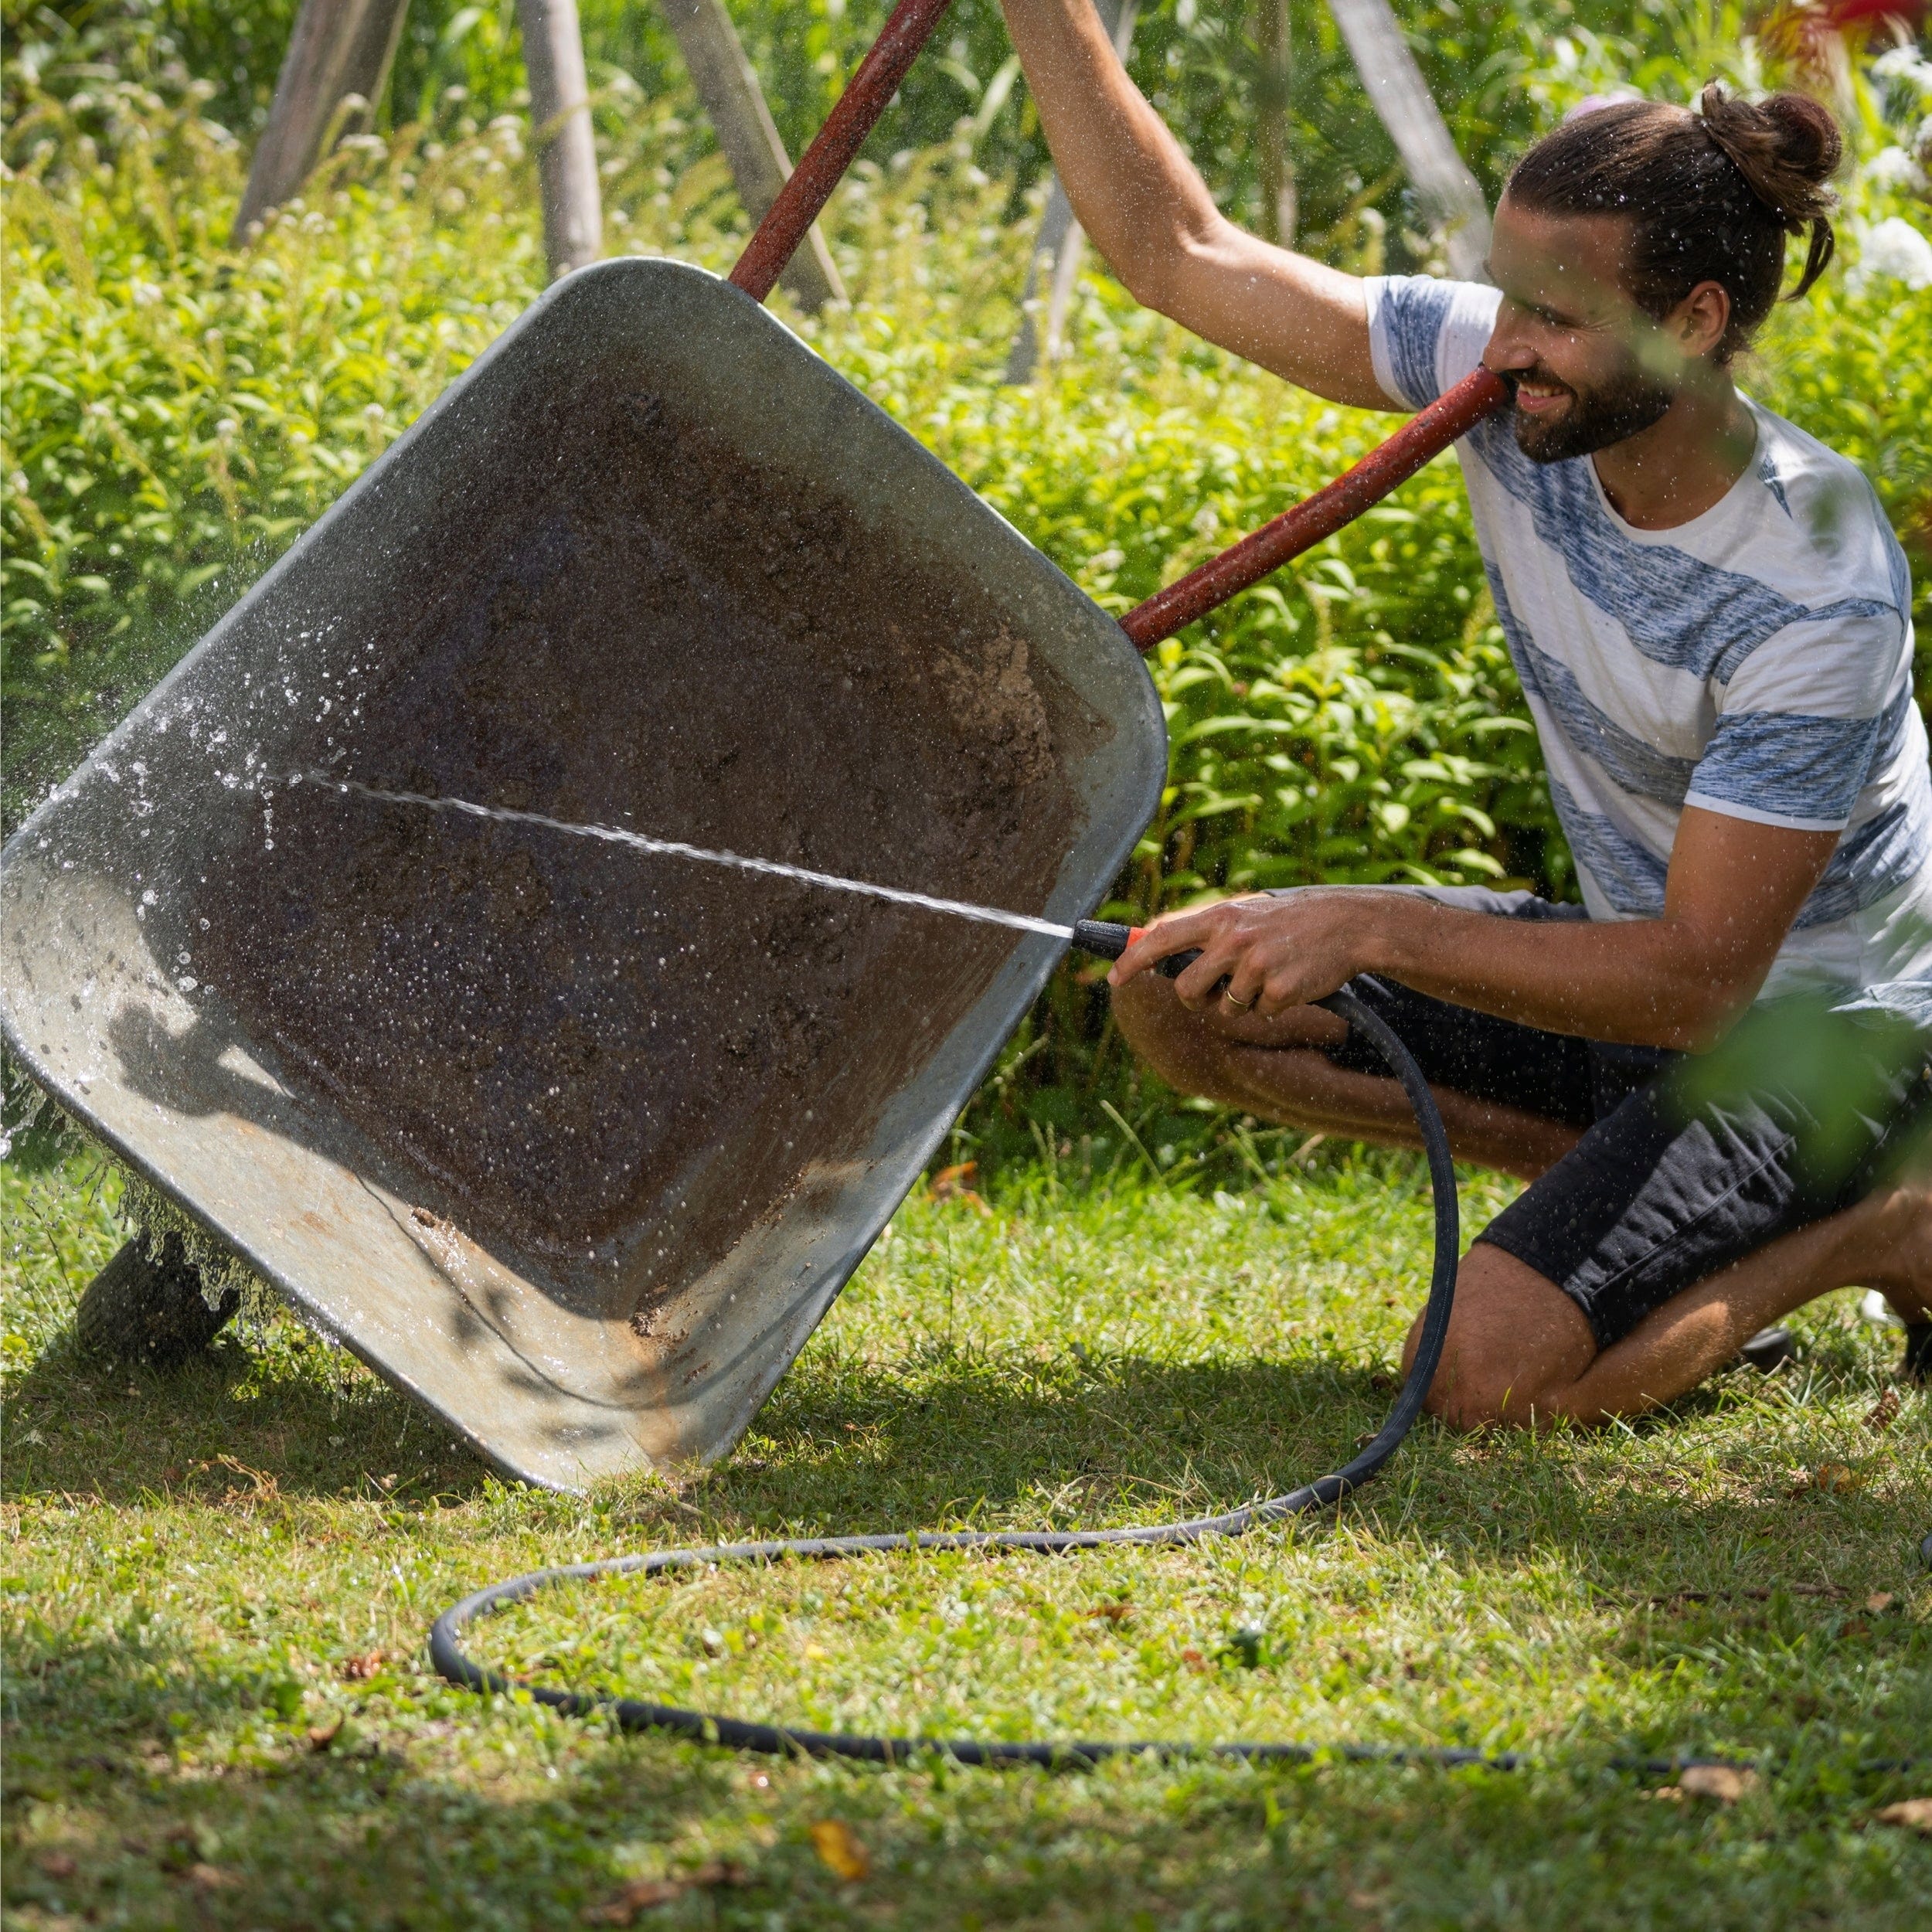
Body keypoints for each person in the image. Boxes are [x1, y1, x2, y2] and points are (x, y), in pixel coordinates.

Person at [998, 0, 1932, 1424]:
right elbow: (1179, 251)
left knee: (1478, 1383)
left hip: (1831, 1035)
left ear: (1695, 324)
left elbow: (1701, 980)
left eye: (1556, 317)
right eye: (1504, 297)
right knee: (1183, 995)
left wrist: (1367, 924)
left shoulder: (1817, 582)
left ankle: (1883, 1228)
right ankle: (1656, 1240)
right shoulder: (1522, 381)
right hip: (1657, 1006)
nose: (1503, 349)